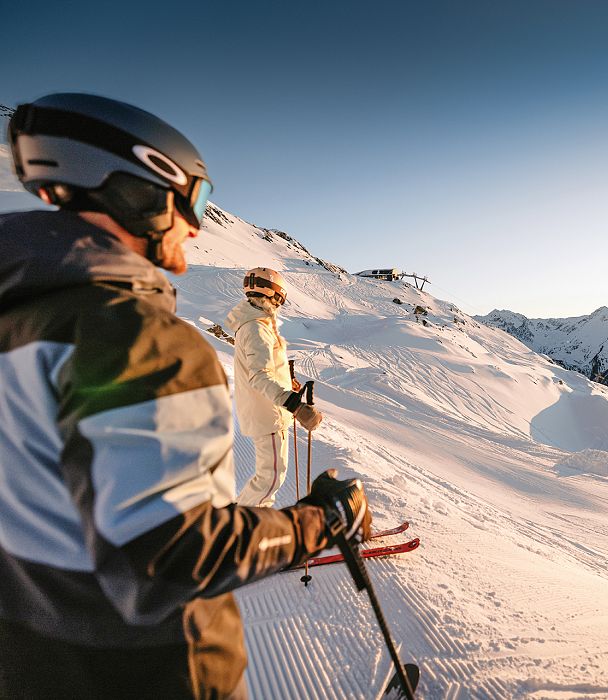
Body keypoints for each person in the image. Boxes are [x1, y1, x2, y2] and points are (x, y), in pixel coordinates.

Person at [0, 93, 372, 699]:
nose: (198, 226)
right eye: (194, 200)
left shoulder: (18, 323)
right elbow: (166, 562)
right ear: (137, 192)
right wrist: (317, 522)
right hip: (155, 670)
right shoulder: (133, 336)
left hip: (37, 661)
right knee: (268, 482)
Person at [227, 267, 322, 507]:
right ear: (273, 295)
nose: (279, 305)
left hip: (268, 410)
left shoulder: (255, 325)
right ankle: (240, 527)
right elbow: (259, 377)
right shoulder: (256, 329)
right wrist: (296, 406)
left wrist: (285, 381)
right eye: (280, 299)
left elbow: (262, 369)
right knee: (270, 478)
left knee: (272, 476)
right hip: (267, 413)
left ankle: (254, 524)